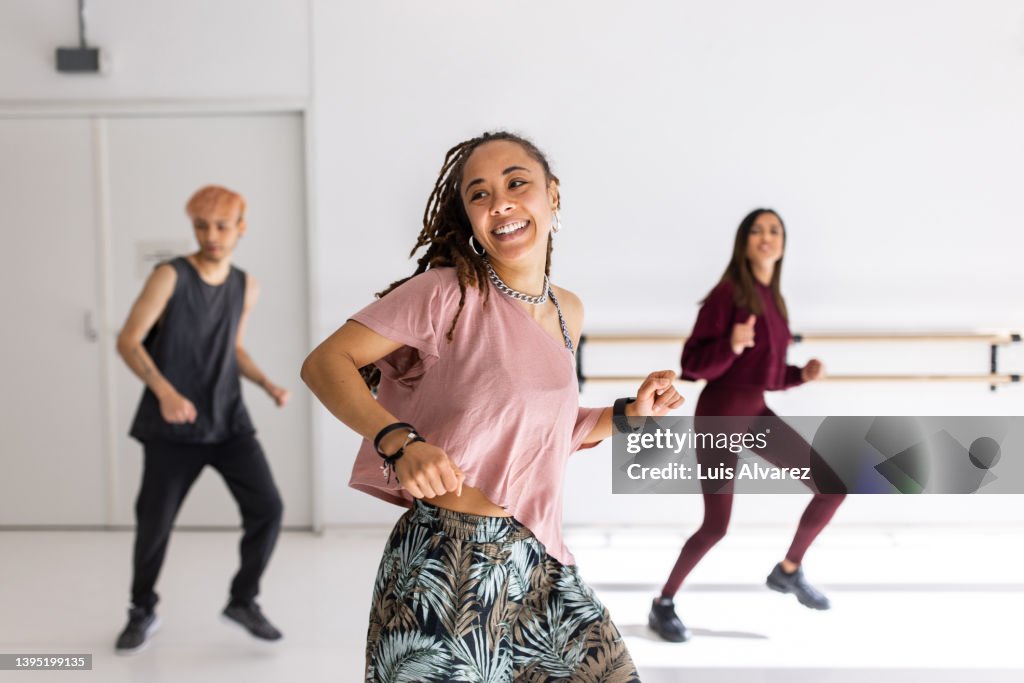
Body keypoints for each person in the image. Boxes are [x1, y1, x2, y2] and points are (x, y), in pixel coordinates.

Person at [302, 131, 683, 680]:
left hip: (538, 563)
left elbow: (542, 431)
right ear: (469, 216)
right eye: (478, 194)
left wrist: (629, 413)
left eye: (516, 183)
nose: (499, 201)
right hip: (446, 566)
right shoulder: (445, 294)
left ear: (553, 196)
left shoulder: (567, 310)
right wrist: (399, 440)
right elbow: (325, 363)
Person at [648, 208, 847, 643]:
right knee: (716, 527)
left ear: (783, 243)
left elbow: (769, 376)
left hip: (756, 413)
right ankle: (663, 603)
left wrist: (802, 375)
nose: (766, 237)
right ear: (743, 241)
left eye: (775, 230)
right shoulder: (727, 294)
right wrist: (731, 345)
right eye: (757, 230)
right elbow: (693, 365)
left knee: (833, 485)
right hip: (719, 416)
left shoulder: (774, 301)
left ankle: (788, 571)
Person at [114, 185, 288, 654]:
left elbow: (233, 348)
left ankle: (243, 600)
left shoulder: (245, 284)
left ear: (240, 227)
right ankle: (141, 609)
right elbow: (128, 340)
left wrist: (267, 383)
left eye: (221, 226)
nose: (211, 235)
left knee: (268, 509)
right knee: (154, 523)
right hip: (172, 425)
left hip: (229, 420)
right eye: (201, 226)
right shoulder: (169, 276)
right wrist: (166, 393)